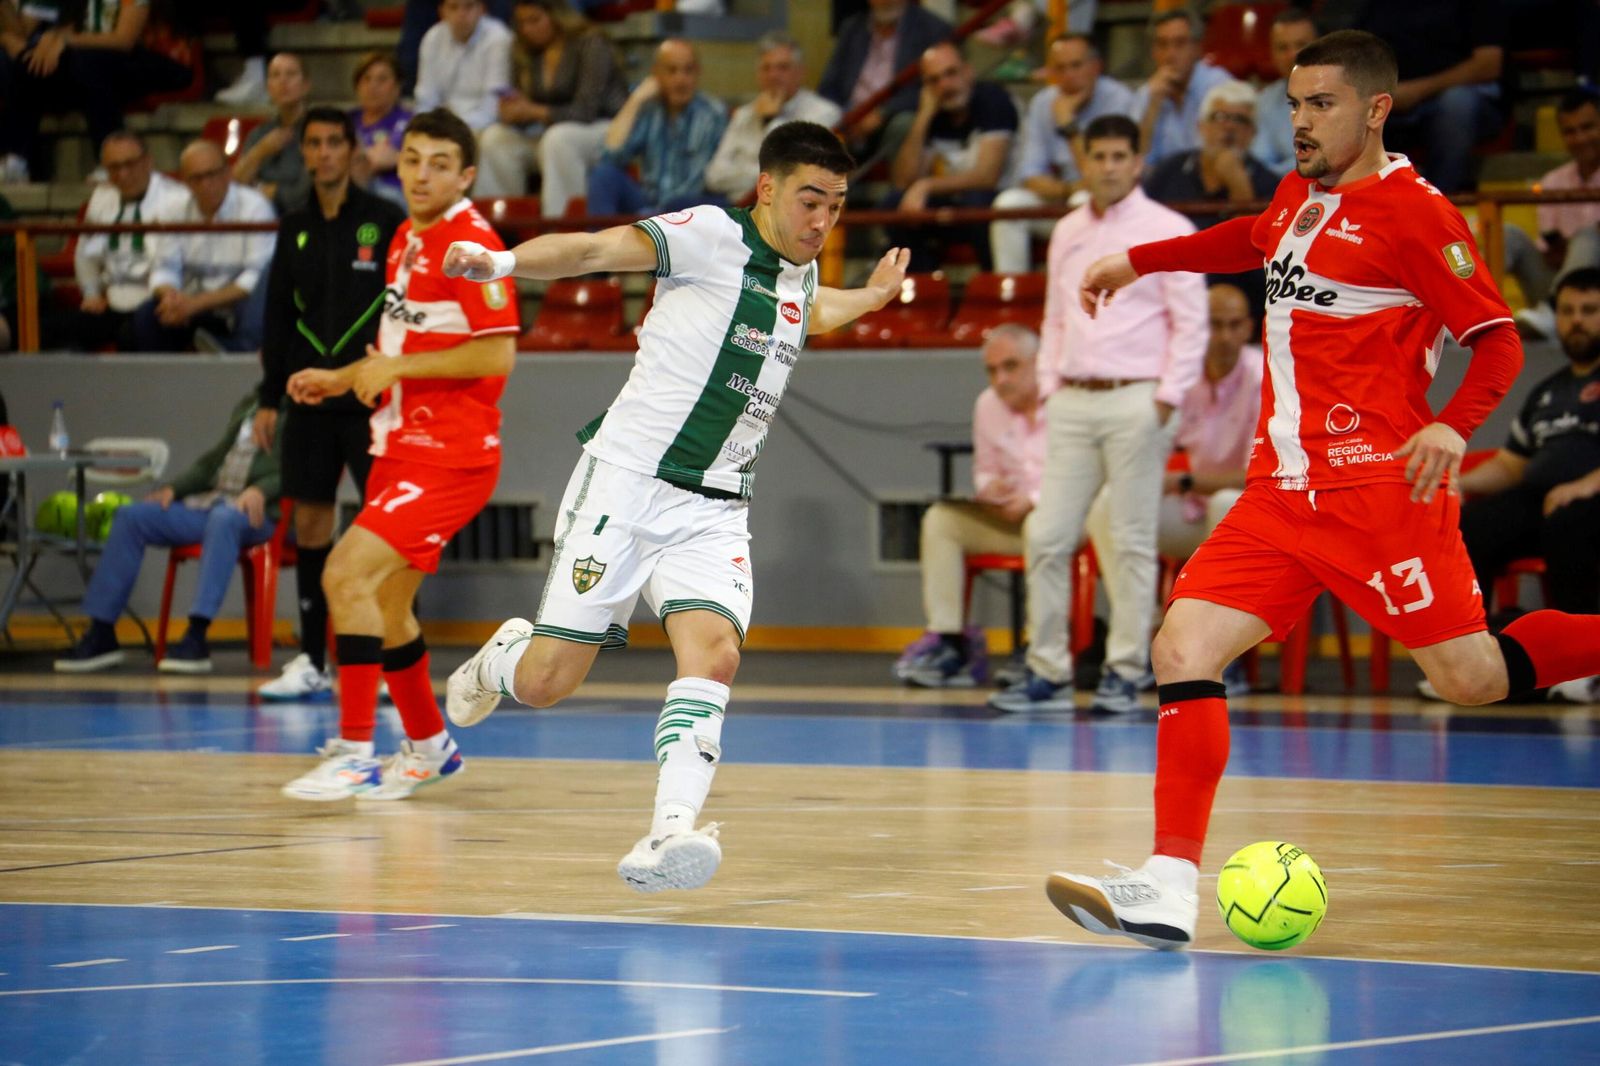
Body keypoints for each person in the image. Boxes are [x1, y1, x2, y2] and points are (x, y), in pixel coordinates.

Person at [1046, 30, 1600, 951]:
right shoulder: (1299, 191)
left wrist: (1447, 427)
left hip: (1379, 494)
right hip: (1281, 491)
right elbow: (1251, 240)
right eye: (1294, 104)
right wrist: (1139, 260)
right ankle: (1169, 885)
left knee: (1474, 679)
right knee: (1182, 642)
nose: (1299, 123)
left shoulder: (1417, 215)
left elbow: (1498, 339)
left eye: (1321, 106)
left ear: (1376, 109)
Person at [440, 121, 910, 892]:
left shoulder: (801, 276)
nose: (823, 221)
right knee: (548, 682)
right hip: (625, 488)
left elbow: (814, 311)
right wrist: (500, 260)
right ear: (766, 190)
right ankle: (502, 659)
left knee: (715, 654)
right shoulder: (710, 236)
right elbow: (594, 250)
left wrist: (876, 296)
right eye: (810, 200)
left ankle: (669, 835)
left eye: (837, 205)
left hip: (716, 508)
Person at [278, 108, 519, 801]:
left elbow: (498, 351)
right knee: (385, 604)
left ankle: (355, 752)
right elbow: (406, 346)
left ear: (466, 175)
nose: (421, 173)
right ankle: (431, 746)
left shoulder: (470, 243)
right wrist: (345, 376)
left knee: (344, 577)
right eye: (412, 158)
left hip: (450, 455)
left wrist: (397, 373)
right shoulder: (409, 235)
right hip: (401, 443)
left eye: (439, 163)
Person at [989, 113, 1205, 716]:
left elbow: (1191, 322)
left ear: (1138, 163)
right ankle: (1050, 671)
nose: (1108, 166)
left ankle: (1126, 670)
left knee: (1132, 538)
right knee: (1048, 532)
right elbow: (1056, 317)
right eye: (1098, 156)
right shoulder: (1066, 231)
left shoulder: (1169, 228)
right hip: (1074, 399)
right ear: (1083, 162)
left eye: (1119, 156)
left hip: (1139, 397)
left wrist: (1166, 397)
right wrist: (1053, 386)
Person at [254, 107, 406, 702]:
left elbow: (404, 306)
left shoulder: (386, 220)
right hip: (310, 396)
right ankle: (313, 658)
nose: (323, 154)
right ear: (306, 153)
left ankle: (394, 659)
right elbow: (277, 316)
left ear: (352, 151)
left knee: (384, 531)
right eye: (313, 144)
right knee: (312, 523)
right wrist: (270, 398)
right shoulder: (292, 225)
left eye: (334, 143)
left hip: (371, 397)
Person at [1085, 282, 1261, 696]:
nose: (1223, 336)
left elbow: (1261, 476)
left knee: (1227, 501)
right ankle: (1140, 634)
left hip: (1242, 516)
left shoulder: (1266, 375)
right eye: (1214, 325)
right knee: (1108, 505)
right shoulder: (1176, 375)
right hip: (1187, 514)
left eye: (1234, 325)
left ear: (1248, 328)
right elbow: (1145, 448)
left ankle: (1223, 657)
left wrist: (1184, 481)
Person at [54, 389, 280, 674]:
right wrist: (175, 489)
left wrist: (263, 489)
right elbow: (212, 462)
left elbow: (307, 468)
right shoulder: (251, 403)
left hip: (258, 515)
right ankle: (102, 633)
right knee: (131, 517)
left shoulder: (305, 404)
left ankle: (197, 636)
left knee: (223, 519)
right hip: (213, 502)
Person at [897, 324, 1045, 688]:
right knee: (940, 520)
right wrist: (989, 489)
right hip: (1007, 519)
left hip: (1055, 521)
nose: (1001, 379)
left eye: (1011, 367)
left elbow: (1081, 474)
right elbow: (985, 470)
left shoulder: (1068, 404)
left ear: (1038, 363)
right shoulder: (987, 405)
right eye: (992, 370)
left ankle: (1038, 648)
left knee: (1046, 525)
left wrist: (1032, 499)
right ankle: (949, 642)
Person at [1455, 268, 1600, 621]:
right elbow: (1510, 465)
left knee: (1569, 521)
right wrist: (1458, 482)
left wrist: (1582, 487)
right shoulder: (1547, 391)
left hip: (1588, 504)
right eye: (1567, 311)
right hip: (1541, 501)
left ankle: (1579, 663)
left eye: (1589, 310)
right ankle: (1477, 650)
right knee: (1471, 524)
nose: (1576, 321)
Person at [990, 33, 1136, 275]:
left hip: (1108, 205)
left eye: (1076, 66)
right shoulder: (1042, 103)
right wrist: (1067, 189)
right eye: (1060, 68)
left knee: (1083, 203)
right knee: (1008, 204)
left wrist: (1068, 125)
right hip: (1061, 196)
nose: (1069, 76)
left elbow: (1102, 176)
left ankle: (1086, 287)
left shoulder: (1119, 99)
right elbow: (1030, 174)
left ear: (1096, 67)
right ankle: (1013, 291)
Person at [0, 0, 190, 181]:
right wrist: (48, 42)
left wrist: (67, 41)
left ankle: (108, 156)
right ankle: (17, 159)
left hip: (144, 61)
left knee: (88, 63)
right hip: (87, 61)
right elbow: (65, 30)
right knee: (27, 63)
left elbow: (125, 40)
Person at [43, 130, 189, 352]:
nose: (123, 174)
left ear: (148, 162)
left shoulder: (177, 199)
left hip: (157, 301)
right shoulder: (102, 196)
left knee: (135, 331)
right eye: (113, 167)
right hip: (111, 300)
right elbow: (86, 251)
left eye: (130, 164)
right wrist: (91, 293)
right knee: (54, 328)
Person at [474, 0, 627, 210]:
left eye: (535, 20)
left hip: (606, 129)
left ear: (556, 15)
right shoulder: (526, 51)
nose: (528, 29)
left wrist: (532, 111)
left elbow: (586, 110)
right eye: (522, 23)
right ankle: (502, 223)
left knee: (559, 139)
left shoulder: (591, 43)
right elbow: (526, 107)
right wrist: (514, 113)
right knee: (495, 138)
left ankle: (563, 228)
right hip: (549, 131)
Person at [884, 42, 1017, 273]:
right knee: (894, 204)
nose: (945, 85)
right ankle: (921, 288)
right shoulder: (936, 113)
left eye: (951, 73)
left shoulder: (994, 100)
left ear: (968, 71)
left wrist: (927, 185)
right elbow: (904, 181)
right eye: (934, 80)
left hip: (999, 202)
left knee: (978, 202)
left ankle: (990, 287)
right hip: (959, 202)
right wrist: (923, 116)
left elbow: (987, 177)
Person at [133, 139, 276, 353]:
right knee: (146, 318)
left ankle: (235, 351)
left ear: (228, 173)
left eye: (212, 174)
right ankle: (153, 384)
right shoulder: (172, 209)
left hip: (237, 305)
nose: (206, 184)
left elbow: (255, 278)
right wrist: (172, 298)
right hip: (189, 304)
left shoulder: (255, 207)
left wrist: (196, 303)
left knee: (258, 306)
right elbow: (164, 268)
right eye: (196, 178)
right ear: (185, 181)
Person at [1356, 0, 1506, 194]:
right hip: (1393, 99)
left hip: (1465, 100)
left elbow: (1488, 65)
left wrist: (1417, 91)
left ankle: (1439, 202)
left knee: (1456, 103)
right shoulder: (1379, 6)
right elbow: (1354, 56)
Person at [587, 39, 727, 216]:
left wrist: (661, 214)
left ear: (698, 73)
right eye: (672, 70)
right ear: (656, 74)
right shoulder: (649, 109)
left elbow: (706, 181)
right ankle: (600, 243)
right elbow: (609, 156)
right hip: (648, 204)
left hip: (689, 210)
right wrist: (635, 100)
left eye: (688, 70)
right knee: (603, 175)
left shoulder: (713, 113)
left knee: (678, 204)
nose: (680, 79)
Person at [704, 32, 842, 205]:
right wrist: (758, 177)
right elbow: (714, 175)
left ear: (801, 72)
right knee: (679, 209)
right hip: (737, 205)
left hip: (788, 210)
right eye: (766, 68)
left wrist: (770, 120)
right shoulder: (744, 115)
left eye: (783, 68)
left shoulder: (823, 114)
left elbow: (788, 176)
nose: (773, 75)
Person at [816, 0, 951, 171]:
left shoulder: (932, 29)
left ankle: (899, 193)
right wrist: (841, 115)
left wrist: (882, 113)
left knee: (905, 124)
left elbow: (931, 87)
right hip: (849, 116)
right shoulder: (852, 27)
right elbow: (829, 85)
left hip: (893, 115)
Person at [1509, 89, 1600, 339]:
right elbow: (1549, 256)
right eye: (1570, 132)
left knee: (1587, 238)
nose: (1580, 138)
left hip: (1595, 296)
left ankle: (1554, 310)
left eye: (1587, 127)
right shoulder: (1552, 181)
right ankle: (1464, 315)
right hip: (1555, 278)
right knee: (1507, 234)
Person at [1143, 80, 1279, 229]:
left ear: (1252, 133)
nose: (1229, 126)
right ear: (1201, 126)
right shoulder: (1169, 169)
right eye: (1219, 117)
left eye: (1240, 120)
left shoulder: (1271, 185)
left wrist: (1239, 186)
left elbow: (1254, 244)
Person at [1129, 9, 1232, 169]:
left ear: (1197, 48)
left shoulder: (1219, 86)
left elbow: (1224, 152)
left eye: (1180, 43)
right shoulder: (1146, 94)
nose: (1170, 54)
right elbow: (1136, 162)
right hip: (1160, 186)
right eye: (1162, 44)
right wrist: (1153, 105)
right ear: (1153, 52)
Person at [414, 0, 512, 134]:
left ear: (482, 9)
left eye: (469, 6)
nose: (461, 14)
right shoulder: (432, 38)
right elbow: (426, 97)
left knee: (493, 137)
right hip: (444, 123)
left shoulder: (499, 38)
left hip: (484, 126)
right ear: (442, 12)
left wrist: (455, 130)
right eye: (453, 7)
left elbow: (493, 104)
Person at [234, 52, 313, 215]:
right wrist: (260, 151)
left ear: (306, 85)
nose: (283, 81)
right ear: (269, 87)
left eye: (290, 74)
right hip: (259, 216)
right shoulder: (259, 134)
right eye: (275, 75)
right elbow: (236, 187)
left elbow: (301, 195)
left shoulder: (318, 131)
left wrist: (264, 190)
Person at [1251, 8, 1319, 176]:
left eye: (1300, 45)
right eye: (1283, 48)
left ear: (1320, 47)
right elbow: (1261, 163)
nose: (1293, 55)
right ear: (1272, 54)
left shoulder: (1341, 97)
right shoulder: (1264, 101)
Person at [349, 52, 413, 207]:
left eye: (382, 79)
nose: (372, 86)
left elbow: (379, 160)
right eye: (366, 79)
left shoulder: (407, 121)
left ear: (397, 86)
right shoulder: (347, 120)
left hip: (394, 196)